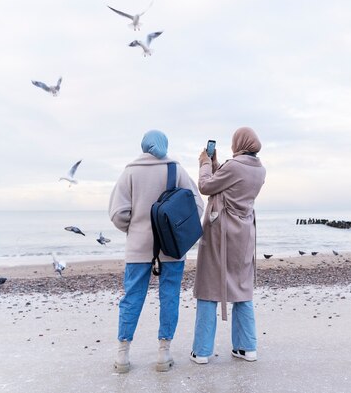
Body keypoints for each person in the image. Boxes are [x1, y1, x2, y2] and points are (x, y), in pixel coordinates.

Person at [109, 130, 204, 373]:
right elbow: (196, 205)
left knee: (132, 298)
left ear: (144, 146)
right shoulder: (175, 169)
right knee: (169, 296)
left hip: (138, 247)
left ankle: (122, 355)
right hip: (171, 245)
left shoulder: (130, 171)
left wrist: (134, 228)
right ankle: (164, 353)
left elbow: (118, 213)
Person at [190, 127, 266, 364]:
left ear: (239, 143)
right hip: (244, 234)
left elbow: (206, 187)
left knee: (209, 285)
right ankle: (247, 347)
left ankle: (202, 351)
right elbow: (226, 184)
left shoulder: (233, 166)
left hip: (220, 234)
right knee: (242, 288)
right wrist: (216, 165)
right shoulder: (259, 169)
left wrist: (204, 163)